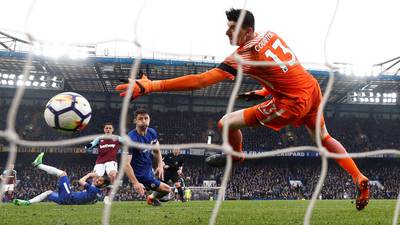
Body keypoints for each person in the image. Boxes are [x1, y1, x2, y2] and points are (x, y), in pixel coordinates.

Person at [115, 8, 370, 210]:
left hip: (292, 103)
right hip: (311, 89)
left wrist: (151, 86)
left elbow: (202, 80)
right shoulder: (270, 35)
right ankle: (359, 177)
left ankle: (236, 156)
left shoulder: (245, 53)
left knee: (226, 122)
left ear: (247, 31)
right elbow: (285, 72)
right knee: (325, 138)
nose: (227, 33)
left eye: (232, 28)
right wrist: (262, 92)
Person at [13, 153, 110, 206]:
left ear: (103, 185)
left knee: (63, 174)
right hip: (65, 201)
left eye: (100, 181)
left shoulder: (93, 189)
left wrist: (89, 174)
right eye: (99, 179)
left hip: (68, 197)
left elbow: (80, 181)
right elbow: (91, 199)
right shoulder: (98, 193)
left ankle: (38, 164)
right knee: (48, 192)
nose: (97, 180)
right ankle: (27, 202)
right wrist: (94, 178)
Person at [125, 109, 171, 206]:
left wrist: (159, 165)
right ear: (135, 121)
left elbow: (156, 149)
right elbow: (126, 164)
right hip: (140, 174)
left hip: (149, 167)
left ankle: (151, 197)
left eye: (146, 118)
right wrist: (135, 183)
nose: (144, 120)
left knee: (162, 173)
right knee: (167, 190)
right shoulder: (130, 139)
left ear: (149, 119)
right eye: (140, 118)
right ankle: (151, 197)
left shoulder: (152, 132)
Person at [85, 122, 123, 202]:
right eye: (106, 128)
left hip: (111, 161)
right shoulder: (100, 138)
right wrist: (87, 146)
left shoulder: (117, 138)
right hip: (100, 161)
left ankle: (107, 196)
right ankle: (91, 197)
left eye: (110, 128)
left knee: (112, 175)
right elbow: (92, 143)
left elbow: (126, 142)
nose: (108, 129)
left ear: (112, 130)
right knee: (95, 178)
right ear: (104, 130)